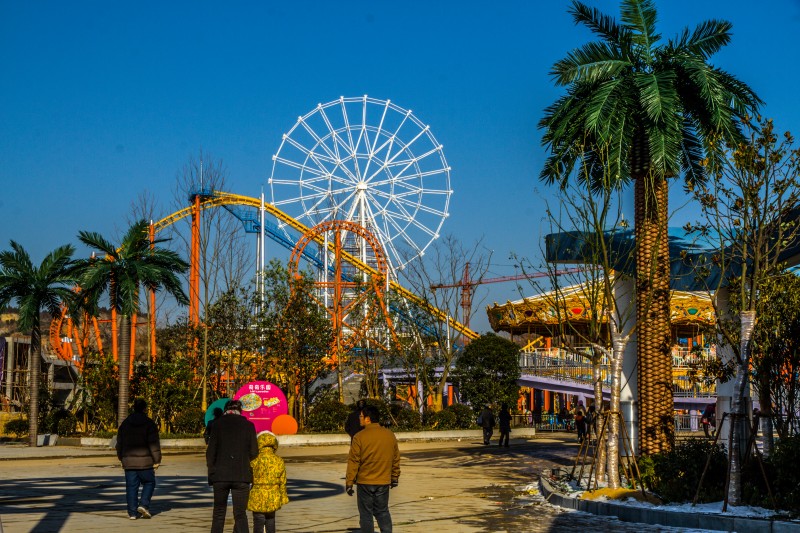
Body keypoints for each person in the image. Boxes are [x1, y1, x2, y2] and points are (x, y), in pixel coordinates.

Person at [345, 404, 400, 533]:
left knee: (366, 514)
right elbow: (395, 458)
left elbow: (354, 461)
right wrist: (394, 477)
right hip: (383, 481)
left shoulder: (359, 437)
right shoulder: (389, 435)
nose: (359, 418)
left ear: (368, 419)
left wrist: (349, 482)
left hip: (365, 482)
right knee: (382, 511)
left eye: (361, 416)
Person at [206, 399, 259, 533]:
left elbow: (211, 452)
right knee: (240, 514)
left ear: (225, 410)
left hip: (220, 476)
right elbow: (254, 452)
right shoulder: (249, 425)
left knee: (219, 513)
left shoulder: (217, 424)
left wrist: (211, 474)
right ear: (240, 410)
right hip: (242, 475)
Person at [116, 398, 161, 520]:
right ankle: (144, 504)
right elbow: (153, 444)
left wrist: (121, 457)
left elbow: (119, 443)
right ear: (145, 409)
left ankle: (132, 513)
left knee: (131, 487)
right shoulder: (149, 423)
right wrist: (157, 460)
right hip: (145, 463)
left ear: (133, 408)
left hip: (129, 462)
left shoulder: (125, 424)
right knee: (149, 482)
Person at [248, 431, 289, 533]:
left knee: (258, 519)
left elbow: (249, 477)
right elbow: (282, 480)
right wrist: (283, 496)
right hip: (273, 495)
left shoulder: (254, 460)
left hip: (257, 494)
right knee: (271, 519)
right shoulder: (278, 460)